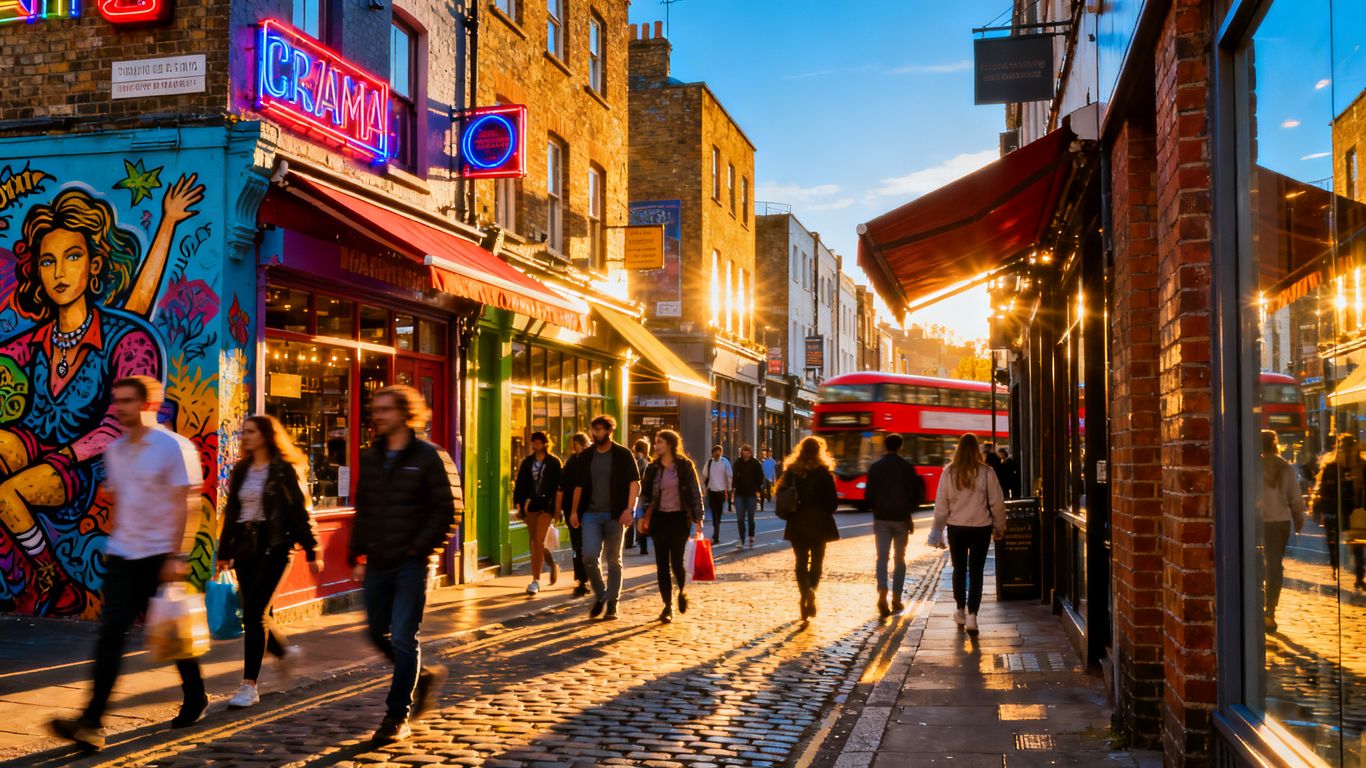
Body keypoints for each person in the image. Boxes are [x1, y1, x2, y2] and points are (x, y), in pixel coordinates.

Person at [0, 180, 203, 617]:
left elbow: (113, 425)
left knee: (9, 493)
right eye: (48, 260)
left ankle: (50, 576)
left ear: (94, 265)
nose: (59, 272)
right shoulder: (31, 343)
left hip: (79, 466)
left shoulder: (122, 337)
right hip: (38, 447)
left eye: (73, 257)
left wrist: (166, 222)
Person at [49, 376, 206, 750]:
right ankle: (92, 721)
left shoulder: (174, 447)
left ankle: (196, 694)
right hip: (123, 555)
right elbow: (119, 500)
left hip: (159, 556)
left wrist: (176, 555)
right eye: (117, 401)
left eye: (128, 401)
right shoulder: (115, 450)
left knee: (171, 632)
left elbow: (189, 505)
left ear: (149, 403)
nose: (120, 408)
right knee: (111, 636)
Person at [349, 385, 461, 745]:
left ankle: (397, 714)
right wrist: (356, 552)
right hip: (379, 559)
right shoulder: (371, 457)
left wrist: (419, 549)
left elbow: (449, 508)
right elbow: (364, 507)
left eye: (384, 409)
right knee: (375, 631)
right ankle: (422, 675)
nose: (377, 415)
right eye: (375, 409)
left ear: (404, 413)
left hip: (412, 562)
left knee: (402, 637)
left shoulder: (430, 456)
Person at [216, 415, 322, 709]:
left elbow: (300, 512)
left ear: (266, 435)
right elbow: (233, 511)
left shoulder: (283, 470)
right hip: (246, 547)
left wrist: (313, 550)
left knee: (253, 614)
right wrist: (224, 552)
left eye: (250, 432)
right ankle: (285, 653)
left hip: (275, 546)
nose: (244, 437)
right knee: (255, 611)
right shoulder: (242, 469)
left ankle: (249, 686)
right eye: (243, 432)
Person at [929, 433, 1006, 635]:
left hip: (957, 527)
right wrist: (1000, 526)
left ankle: (960, 610)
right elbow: (997, 502)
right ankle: (973, 615)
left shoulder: (949, 472)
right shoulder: (986, 472)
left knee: (959, 569)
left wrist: (937, 529)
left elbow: (941, 505)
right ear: (977, 450)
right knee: (977, 571)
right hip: (981, 527)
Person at [570, 415, 640, 620]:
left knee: (613, 560)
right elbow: (579, 486)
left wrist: (630, 509)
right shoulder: (587, 456)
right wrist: (574, 511)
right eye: (594, 430)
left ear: (610, 431)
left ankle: (612, 604)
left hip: (615, 515)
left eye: (600, 430)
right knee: (589, 556)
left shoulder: (623, 454)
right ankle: (601, 595)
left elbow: (635, 484)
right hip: (591, 514)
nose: (596, 433)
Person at [639, 429, 704, 623]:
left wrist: (698, 519)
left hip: (679, 519)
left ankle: (682, 592)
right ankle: (667, 606)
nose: (656, 445)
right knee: (661, 564)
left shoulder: (684, 466)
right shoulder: (652, 468)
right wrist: (640, 517)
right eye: (656, 442)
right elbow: (645, 495)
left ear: (670, 444)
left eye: (660, 442)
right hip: (659, 519)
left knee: (676, 562)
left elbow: (695, 492)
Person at [777, 437, 840, 622]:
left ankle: (804, 593)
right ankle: (812, 588)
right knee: (817, 561)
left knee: (801, 561)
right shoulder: (824, 472)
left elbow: (781, 494)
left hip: (797, 523)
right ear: (819, 451)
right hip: (819, 523)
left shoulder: (792, 471)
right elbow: (833, 503)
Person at [865, 433, 925, 618]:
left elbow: (869, 494)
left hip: (882, 519)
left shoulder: (876, 467)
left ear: (885, 446)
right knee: (900, 559)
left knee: (882, 557)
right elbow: (917, 493)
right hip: (901, 519)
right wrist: (909, 511)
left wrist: (875, 508)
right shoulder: (906, 467)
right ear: (900, 446)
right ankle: (897, 597)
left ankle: (882, 589)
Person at [1259, 430, 1305, 632]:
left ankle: (1256, 606)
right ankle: (1270, 611)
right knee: (1274, 565)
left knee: (1255, 564)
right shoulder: (1284, 466)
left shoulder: (1252, 466)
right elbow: (1294, 496)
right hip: (1279, 521)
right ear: (1275, 444)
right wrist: (1298, 517)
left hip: (1257, 521)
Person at [1311, 433, 1366, 590]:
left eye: (1350, 448)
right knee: (1333, 541)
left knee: (1357, 546)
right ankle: (1335, 563)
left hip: (1355, 512)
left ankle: (1359, 576)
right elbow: (1322, 489)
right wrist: (1319, 507)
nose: (1348, 452)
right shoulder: (1331, 467)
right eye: (1344, 448)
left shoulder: (1362, 466)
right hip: (1333, 510)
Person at [513, 432, 562, 596]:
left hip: (546, 507)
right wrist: (519, 505)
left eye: (539, 443)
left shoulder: (554, 463)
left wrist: (557, 509)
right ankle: (551, 563)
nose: (536, 445)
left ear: (546, 444)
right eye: (534, 442)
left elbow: (559, 487)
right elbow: (520, 484)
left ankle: (536, 580)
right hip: (531, 506)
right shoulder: (527, 462)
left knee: (538, 541)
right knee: (535, 542)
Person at [556, 432, 592, 597]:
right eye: (573, 445)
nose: (574, 448)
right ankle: (582, 578)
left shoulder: (588, 459)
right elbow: (562, 487)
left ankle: (585, 577)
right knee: (578, 545)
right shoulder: (572, 462)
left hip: (587, 509)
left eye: (576, 445)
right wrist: (560, 509)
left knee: (583, 546)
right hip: (575, 510)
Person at [732, 444, 764, 550]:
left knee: (751, 517)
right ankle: (741, 538)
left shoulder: (755, 464)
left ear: (750, 452)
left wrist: (757, 489)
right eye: (743, 450)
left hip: (751, 494)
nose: (745, 452)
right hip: (739, 494)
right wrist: (733, 489)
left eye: (747, 451)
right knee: (740, 518)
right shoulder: (737, 463)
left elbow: (760, 477)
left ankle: (751, 535)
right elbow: (734, 478)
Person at [702, 444, 733, 543]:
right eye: (715, 451)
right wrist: (704, 488)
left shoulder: (725, 462)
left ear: (721, 453)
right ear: (712, 453)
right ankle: (715, 530)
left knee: (718, 513)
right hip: (711, 491)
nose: (717, 453)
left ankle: (716, 532)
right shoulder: (709, 463)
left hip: (721, 492)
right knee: (713, 512)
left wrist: (729, 489)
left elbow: (729, 476)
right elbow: (704, 475)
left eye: (718, 451)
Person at [630, 439, 651, 556]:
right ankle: (643, 547)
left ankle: (637, 543)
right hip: (641, 495)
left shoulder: (633, 459)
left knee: (638, 520)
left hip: (634, 493)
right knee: (641, 520)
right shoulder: (644, 461)